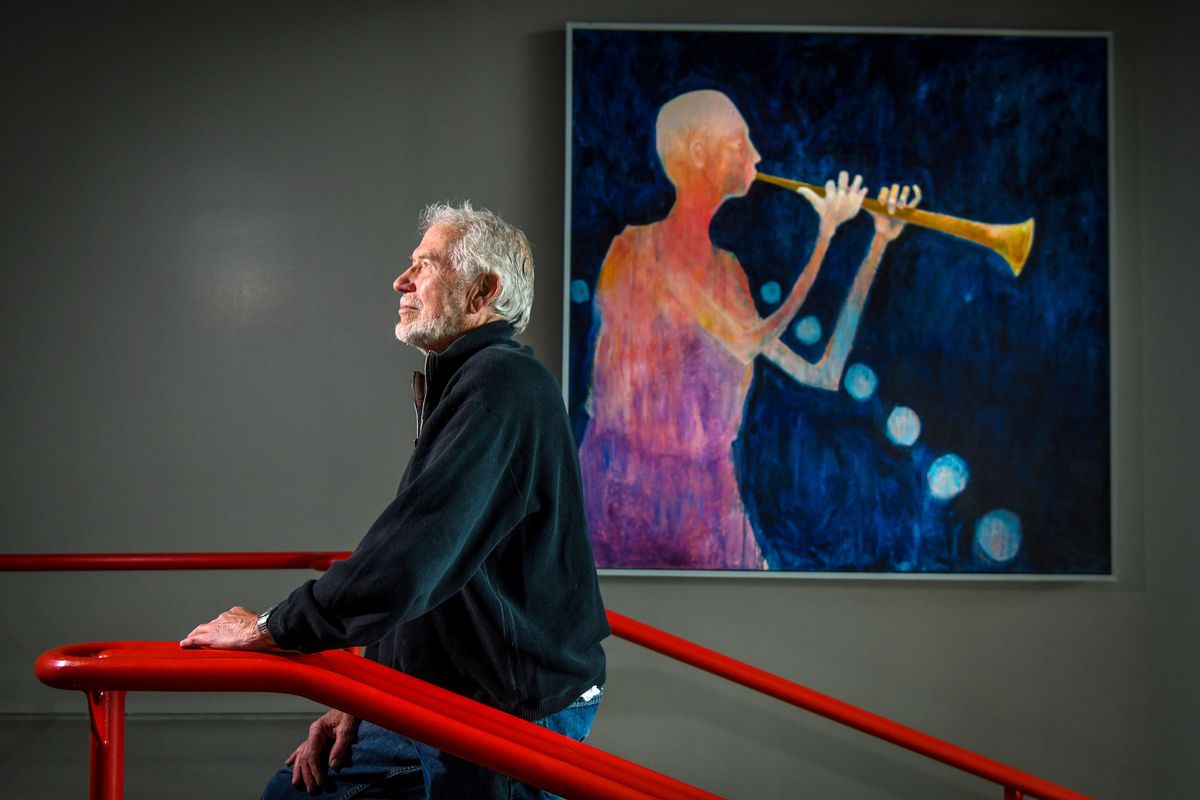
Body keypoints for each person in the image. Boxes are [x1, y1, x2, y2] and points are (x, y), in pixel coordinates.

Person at [182, 202, 609, 799]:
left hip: (507, 701)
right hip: (437, 687)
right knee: (294, 793)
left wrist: (270, 627)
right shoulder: (467, 382)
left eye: (424, 265)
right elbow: (433, 564)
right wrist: (363, 690)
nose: (400, 280)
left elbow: (412, 557)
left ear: (482, 290)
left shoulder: (503, 386)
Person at [578, 89, 919, 570]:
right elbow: (744, 340)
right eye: (741, 144)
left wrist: (876, 244)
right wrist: (824, 237)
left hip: (709, 500)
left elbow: (824, 373)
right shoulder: (640, 250)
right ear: (698, 153)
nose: (756, 156)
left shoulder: (727, 272)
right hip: (624, 493)